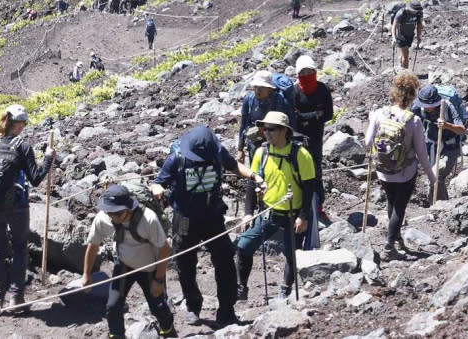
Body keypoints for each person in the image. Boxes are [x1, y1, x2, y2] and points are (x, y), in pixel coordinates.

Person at [150, 126, 258, 326]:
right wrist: (157, 189)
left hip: (212, 215)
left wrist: (253, 176)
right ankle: (193, 304)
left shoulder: (217, 152)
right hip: (185, 218)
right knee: (185, 263)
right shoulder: (177, 157)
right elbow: (159, 182)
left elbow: (233, 165)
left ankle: (226, 311)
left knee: (225, 261)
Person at [0, 104, 55, 313]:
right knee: (19, 249)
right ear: (17, 123)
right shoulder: (22, 146)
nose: (24, 127)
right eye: (24, 123)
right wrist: (48, 159)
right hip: (18, 207)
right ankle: (16, 299)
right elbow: (35, 179)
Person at [235, 111, 316, 299]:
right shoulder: (261, 152)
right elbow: (251, 182)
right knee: (244, 246)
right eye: (264, 129)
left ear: (284, 131)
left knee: (291, 254)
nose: (266, 132)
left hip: (293, 213)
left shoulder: (301, 155)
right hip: (268, 212)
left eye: (271, 129)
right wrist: (248, 212)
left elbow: (309, 188)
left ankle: (285, 289)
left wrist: (303, 216)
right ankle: (241, 288)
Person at [82, 185, 176, 338]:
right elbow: (92, 246)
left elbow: (165, 248)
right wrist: (86, 274)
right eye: (110, 213)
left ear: (129, 208)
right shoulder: (103, 219)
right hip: (124, 264)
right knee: (112, 307)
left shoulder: (148, 219)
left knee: (158, 307)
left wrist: (158, 280)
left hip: (150, 268)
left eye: (118, 213)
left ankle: (169, 331)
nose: (114, 217)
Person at [364, 71, 437, 261]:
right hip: (405, 172)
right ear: (412, 95)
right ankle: (389, 245)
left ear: (394, 92)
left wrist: (379, 152)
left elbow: (367, 141)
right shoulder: (414, 121)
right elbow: (422, 153)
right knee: (399, 207)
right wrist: (431, 176)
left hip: (383, 170)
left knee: (391, 202)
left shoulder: (379, 114)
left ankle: (396, 238)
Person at [238, 71, 297, 218]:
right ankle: (254, 209)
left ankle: (272, 204)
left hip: (276, 146)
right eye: (256, 87)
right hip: (255, 146)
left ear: (270, 89)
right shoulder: (249, 100)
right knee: (255, 175)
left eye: (261, 87)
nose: (258, 90)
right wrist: (240, 148)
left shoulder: (280, 101)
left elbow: (288, 124)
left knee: (273, 173)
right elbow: (243, 124)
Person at [291, 55, 333, 222]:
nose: (307, 75)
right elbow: (295, 117)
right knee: (299, 172)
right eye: (303, 72)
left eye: (310, 71)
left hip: (315, 138)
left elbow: (328, 114)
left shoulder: (322, 89)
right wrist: (315, 114)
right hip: (298, 138)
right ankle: (301, 207)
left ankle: (318, 206)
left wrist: (306, 116)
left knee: (316, 172)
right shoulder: (294, 92)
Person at [411, 85, 464, 202]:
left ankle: (437, 205)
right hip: (431, 146)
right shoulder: (417, 107)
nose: (425, 108)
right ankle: (441, 204)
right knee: (433, 177)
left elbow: (462, 129)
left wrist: (447, 125)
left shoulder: (447, 106)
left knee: (437, 174)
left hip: (450, 147)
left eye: (428, 106)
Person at [391, 0, 424, 69]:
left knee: (404, 54)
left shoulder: (418, 14)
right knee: (406, 56)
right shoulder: (402, 13)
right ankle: (406, 73)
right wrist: (393, 37)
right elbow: (394, 25)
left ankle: (401, 64)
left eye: (417, 10)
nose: (416, 11)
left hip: (410, 36)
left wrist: (418, 36)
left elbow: (419, 25)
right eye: (414, 10)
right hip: (401, 36)